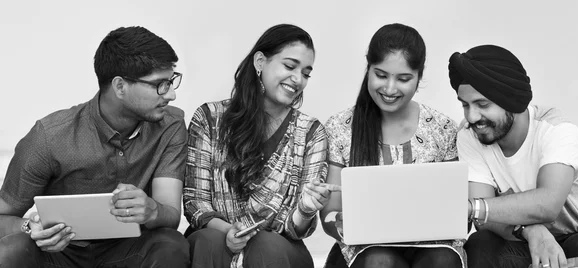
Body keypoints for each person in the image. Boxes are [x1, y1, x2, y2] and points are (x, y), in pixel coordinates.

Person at [0, 26, 190, 267]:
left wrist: (153, 211)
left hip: (129, 250)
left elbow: (170, 215)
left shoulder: (170, 126)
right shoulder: (49, 136)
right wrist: (30, 227)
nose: (171, 94)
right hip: (59, 253)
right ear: (120, 86)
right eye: (161, 84)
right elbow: (3, 216)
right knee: (10, 251)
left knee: (171, 245)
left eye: (172, 81)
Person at [184, 23, 338, 268]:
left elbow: (294, 228)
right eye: (289, 66)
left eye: (306, 73)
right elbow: (195, 201)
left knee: (267, 244)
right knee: (209, 241)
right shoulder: (209, 118)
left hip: (278, 249)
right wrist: (229, 231)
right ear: (260, 62)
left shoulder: (311, 132)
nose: (298, 79)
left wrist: (306, 210)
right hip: (214, 239)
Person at [321, 23, 466, 268]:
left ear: (419, 78)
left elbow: (459, 210)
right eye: (381, 75)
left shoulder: (442, 128)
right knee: (380, 261)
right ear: (368, 70)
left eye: (403, 79)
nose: (389, 88)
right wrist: (341, 222)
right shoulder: (340, 127)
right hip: (365, 252)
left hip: (434, 248)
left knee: (442, 260)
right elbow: (329, 214)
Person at [449, 44, 578, 268]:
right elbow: (484, 219)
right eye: (465, 105)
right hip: (518, 238)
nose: (472, 117)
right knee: (480, 243)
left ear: (512, 101)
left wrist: (472, 208)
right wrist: (529, 231)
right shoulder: (470, 137)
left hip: (576, 236)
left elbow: (547, 204)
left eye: (482, 104)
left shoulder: (558, 130)